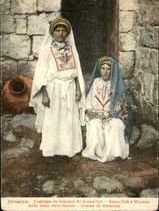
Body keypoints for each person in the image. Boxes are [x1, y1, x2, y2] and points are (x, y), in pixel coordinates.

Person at [30, 17, 85, 157]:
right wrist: (44, 94)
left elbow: (77, 71)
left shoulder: (71, 48)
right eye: (57, 30)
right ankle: (52, 150)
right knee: (54, 119)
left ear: (67, 33)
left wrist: (78, 88)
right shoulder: (47, 49)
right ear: (53, 32)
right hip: (53, 89)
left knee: (68, 117)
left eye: (63, 30)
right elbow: (41, 73)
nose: (60, 33)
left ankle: (68, 149)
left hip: (70, 87)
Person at [82, 56, 133, 162]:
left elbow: (122, 106)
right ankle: (98, 152)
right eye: (103, 68)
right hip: (96, 113)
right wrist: (89, 110)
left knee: (116, 124)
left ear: (112, 70)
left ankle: (114, 153)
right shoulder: (95, 82)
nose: (105, 72)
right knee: (95, 123)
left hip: (112, 115)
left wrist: (109, 115)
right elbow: (87, 99)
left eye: (108, 69)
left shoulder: (117, 84)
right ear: (99, 69)